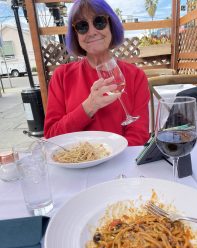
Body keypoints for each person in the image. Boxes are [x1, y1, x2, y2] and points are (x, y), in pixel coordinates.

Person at [44, 0, 150, 146]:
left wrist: (108, 157)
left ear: (111, 26)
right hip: (77, 165)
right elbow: (51, 137)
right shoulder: (61, 76)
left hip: (119, 164)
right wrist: (88, 107)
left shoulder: (136, 76)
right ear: (76, 35)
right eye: (82, 26)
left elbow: (138, 135)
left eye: (99, 21)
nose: (92, 32)